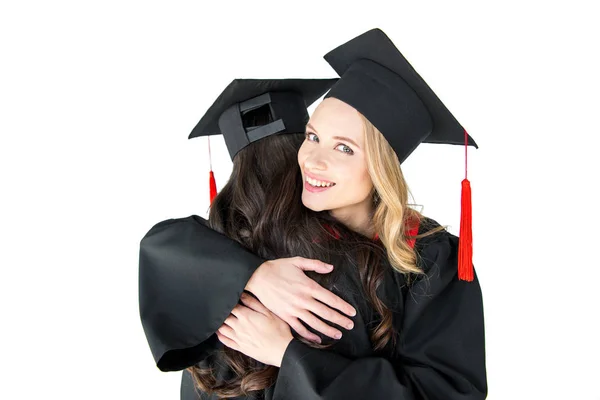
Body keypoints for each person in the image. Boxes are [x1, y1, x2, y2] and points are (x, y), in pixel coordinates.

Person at [141, 29, 487, 399]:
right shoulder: (271, 232)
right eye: (312, 136)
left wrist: (290, 356)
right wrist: (253, 275)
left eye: (344, 148)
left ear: (383, 169)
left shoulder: (430, 257)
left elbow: (443, 393)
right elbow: (170, 251)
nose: (314, 161)